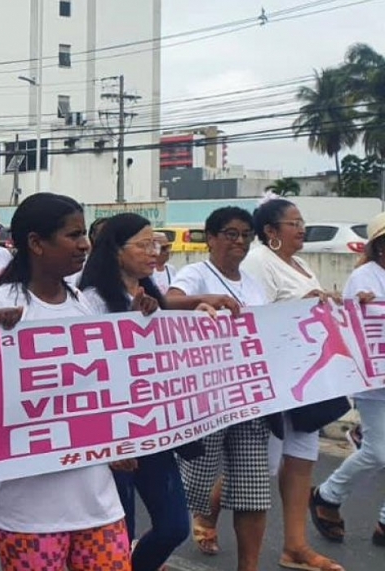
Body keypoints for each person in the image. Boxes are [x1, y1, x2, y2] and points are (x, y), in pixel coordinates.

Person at [0, 193, 130, 571]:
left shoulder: (84, 305)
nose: (84, 244)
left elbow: (105, 385)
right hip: (28, 512)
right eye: (72, 235)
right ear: (36, 243)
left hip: (96, 501)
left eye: (83, 234)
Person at [77, 213, 190, 571]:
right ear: (115, 250)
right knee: (119, 532)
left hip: (151, 428)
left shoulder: (152, 298)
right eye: (143, 244)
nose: (153, 252)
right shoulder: (89, 300)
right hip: (112, 432)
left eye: (155, 243)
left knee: (174, 526)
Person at [241, 198, 343, 571]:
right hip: (274, 377)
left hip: (307, 377)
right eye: (293, 223)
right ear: (270, 231)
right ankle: (207, 509)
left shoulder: (301, 264)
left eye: (303, 223)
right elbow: (255, 315)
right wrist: (303, 303)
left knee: (302, 459)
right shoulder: (258, 261)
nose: (301, 229)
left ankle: (295, 547)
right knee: (261, 466)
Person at [166, 206, 269, 571]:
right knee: (187, 489)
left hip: (249, 399)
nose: (239, 241)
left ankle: (249, 566)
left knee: (253, 493)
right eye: (230, 233)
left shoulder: (254, 285)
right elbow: (167, 302)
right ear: (210, 238)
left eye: (245, 234)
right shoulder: (195, 273)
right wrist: (205, 301)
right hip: (206, 400)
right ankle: (150, 550)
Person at [311, 210, 385, 548]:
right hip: (376, 381)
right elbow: (358, 321)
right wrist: (363, 306)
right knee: (379, 452)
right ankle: (328, 495)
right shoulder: (365, 277)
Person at [149, 231, 176, 295]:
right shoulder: (146, 271)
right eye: (163, 248)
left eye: (168, 247)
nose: (168, 251)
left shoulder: (171, 269)